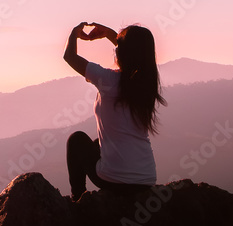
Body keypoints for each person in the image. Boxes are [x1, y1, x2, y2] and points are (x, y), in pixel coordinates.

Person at [63, 21, 167, 201]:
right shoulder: (147, 84)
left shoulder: (109, 80)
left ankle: (78, 199)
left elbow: (70, 57)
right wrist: (110, 34)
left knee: (77, 140)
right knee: (97, 143)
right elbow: (136, 55)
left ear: (122, 52)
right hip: (146, 178)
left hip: (114, 180)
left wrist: (74, 34)